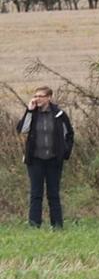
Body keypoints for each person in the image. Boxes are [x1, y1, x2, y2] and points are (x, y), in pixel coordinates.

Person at [16, 86, 74, 229]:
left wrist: (64, 152)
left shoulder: (59, 114)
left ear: (49, 97)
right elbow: (22, 130)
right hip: (35, 160)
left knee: (53, 194)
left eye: (41, 96)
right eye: (35, 96)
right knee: (36, 194)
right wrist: (29, 110)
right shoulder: (32, 114)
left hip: (54, 160)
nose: (37, 99)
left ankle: (57, 225)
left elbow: (69, 135)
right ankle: (34, 225)